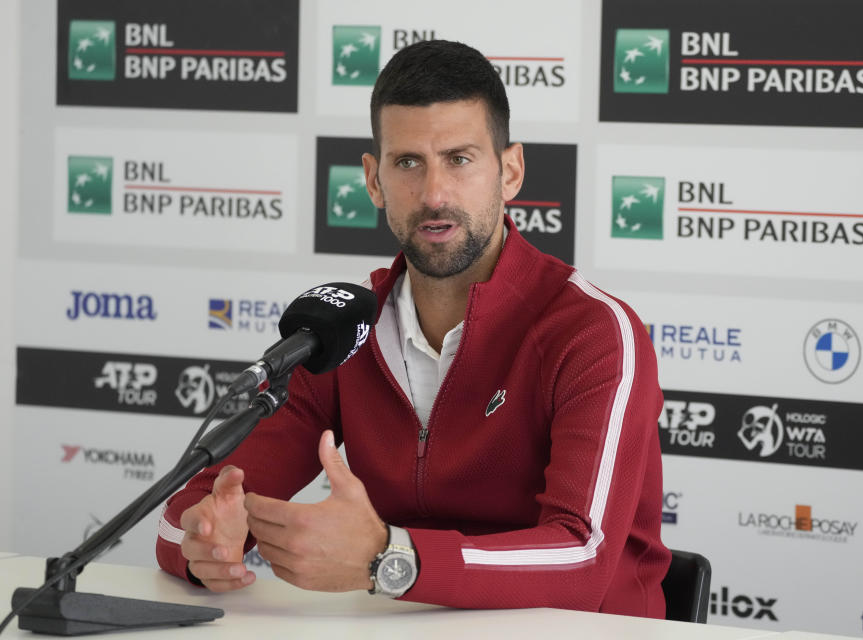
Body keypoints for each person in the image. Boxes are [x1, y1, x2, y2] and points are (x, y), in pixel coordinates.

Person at [156, 39, 669, 617]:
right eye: (408, 163)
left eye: (459, 158)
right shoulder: (342, 330)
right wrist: (202, 543)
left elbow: (583, 558)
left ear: (511, 171)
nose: (434, 195)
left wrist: (388, 559)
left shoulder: (592, 332)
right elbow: (184, 516)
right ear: (373, 181)